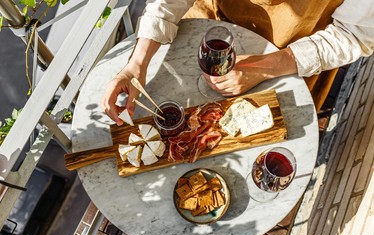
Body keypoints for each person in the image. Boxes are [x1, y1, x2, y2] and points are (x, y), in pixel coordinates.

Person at [102, 0, 374, 125]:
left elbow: (353, 34)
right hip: (213, 22)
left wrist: (265, 67)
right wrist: (136, 64)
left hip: (289, 55)